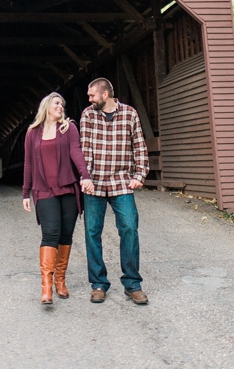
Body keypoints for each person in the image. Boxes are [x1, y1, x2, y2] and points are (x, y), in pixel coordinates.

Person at [80, 77, 150, 305]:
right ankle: (98, 284)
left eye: (92, 95)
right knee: (92, 232)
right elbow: (85, 148)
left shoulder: (129, 114)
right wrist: (85, 177)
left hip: (121, 181)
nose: (89, 99)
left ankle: (132, 284)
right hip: (95, 183)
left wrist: (140, 175)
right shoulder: (88, 115)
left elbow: (139, 145)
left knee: (129, 226)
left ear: (104, 94)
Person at [22, 92, 94, 305]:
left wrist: (85, 175)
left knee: (65, 234)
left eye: (62, 104)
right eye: (56, 103)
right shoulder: (32, 133)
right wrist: (26, 192)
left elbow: (76, 152)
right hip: (44, 190)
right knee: (50, 233)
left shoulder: (68, 128)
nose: (60, 106)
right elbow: (28, 164)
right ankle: (46, 286)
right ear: (46, 106)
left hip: (68, 189)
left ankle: (60, 280)